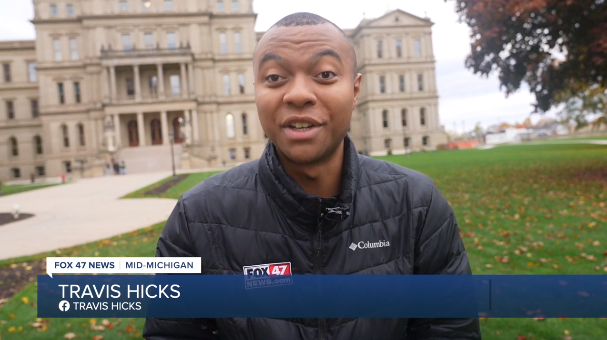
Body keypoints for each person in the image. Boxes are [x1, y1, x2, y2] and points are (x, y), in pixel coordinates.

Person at [143, 12, 480, 340]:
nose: (299, 94)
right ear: (255, 91)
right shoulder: (197, 218)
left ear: (355, 89)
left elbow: (449, 329)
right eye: (275, 77)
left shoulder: (417, 205)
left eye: (325, 74)